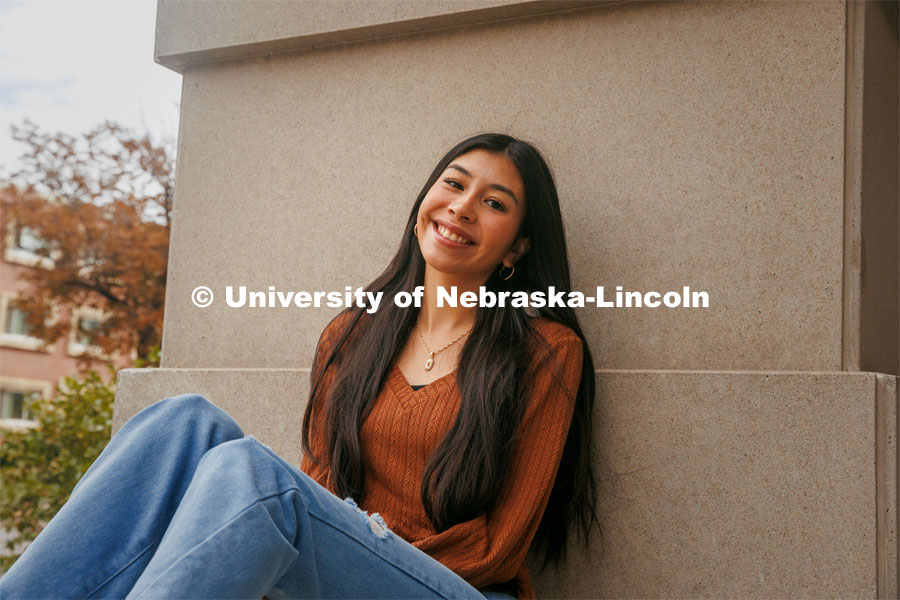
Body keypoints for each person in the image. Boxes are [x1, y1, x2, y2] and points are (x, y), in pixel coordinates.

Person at [0, 132, 600, 599]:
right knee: (182, 421)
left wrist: (358, 546)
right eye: (454, 184)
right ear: (425, 201)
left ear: (519, 247)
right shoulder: (353, 334)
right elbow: (322, 482)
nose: (463, 208)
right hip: (342, 566)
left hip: (456, 590)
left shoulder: (545, 352)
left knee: (254, 474)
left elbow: (498, 549)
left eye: (494, 203)